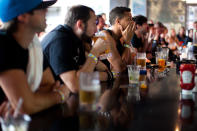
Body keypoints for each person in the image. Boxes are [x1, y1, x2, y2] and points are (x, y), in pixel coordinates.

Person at [0, 0, 69, 114]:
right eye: (41, 8)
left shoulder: (33, 46)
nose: (47, 11)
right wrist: (60, 95)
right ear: (23, 16)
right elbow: (25, 106)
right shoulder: (3, 44)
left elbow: (50, 86)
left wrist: (29, 99)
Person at [42, 5, 111, 93]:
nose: (95, 30)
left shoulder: (77, 40)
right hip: (48, 99)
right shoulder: (61, 40)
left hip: (67, 98)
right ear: (80, 25)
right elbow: (76, 85)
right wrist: (95, 51)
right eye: (94, 23)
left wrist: (87, 71)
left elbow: (89, 72)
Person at [100, 7, 136, 72]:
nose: (132, 22)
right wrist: (127, 42)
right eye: (129, 19)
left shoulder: (123, 37)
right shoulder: (103, 35)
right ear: (118, 21)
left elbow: (129, 65)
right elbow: (120, 68)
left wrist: (127, 41)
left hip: (118, 80)